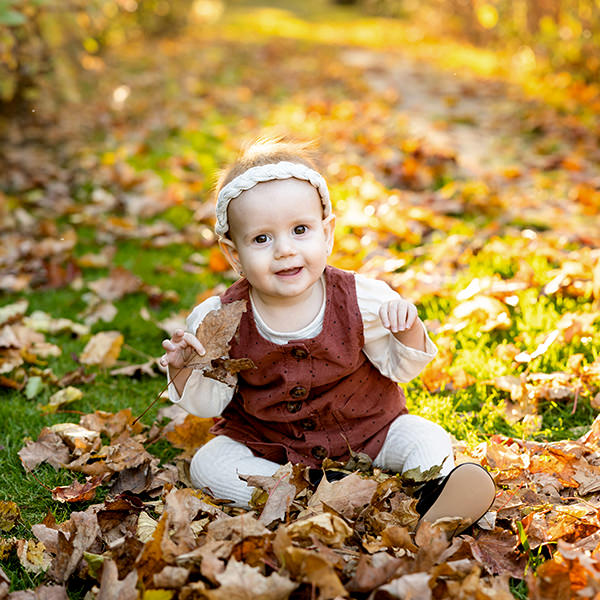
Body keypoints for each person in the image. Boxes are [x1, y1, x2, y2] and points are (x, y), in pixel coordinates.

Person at [159, 137, 495, 534]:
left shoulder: (364, 298)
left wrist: (408, 330)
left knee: (426, 437)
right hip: (273, 448)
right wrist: (185, 369)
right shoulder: (220, 318)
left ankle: (433, 500)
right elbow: (209, 401)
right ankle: (303, 496)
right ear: (234, 254)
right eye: (262, 239)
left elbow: (400, 370)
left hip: (370, 432)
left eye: (300, 230)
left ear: (327, 232)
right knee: (208, 463)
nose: (284, 250)